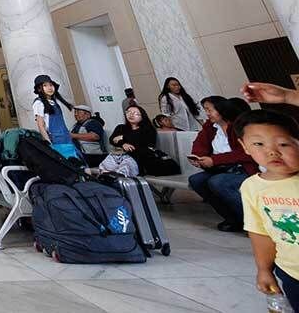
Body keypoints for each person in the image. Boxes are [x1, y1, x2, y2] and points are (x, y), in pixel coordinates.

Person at [237, 109, 299, 310]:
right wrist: (264, 269)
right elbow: (260, 233)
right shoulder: (251, 187)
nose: (272, 151)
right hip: (291, 272)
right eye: (258, 144)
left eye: (283, 144)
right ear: (244, 146)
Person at [188, 96, 257, 232]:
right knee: (196, 180)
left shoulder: (239, 126)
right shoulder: (210, 126)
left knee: (219, 182)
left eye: (209, 110)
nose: (207, 113)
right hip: (220, 168)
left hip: (244, 168)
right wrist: (198, 157)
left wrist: (214, 160)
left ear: (221, 109)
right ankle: (233, 219)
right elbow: (200, 143)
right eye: (205, 110)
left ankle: (254, 222)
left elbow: (245, 153)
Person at [109, 105, 179, 176]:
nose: (131, 115)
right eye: (128, 112)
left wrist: (123, 137)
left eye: (135, 113)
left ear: (142, 116)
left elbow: (141, 144)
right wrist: (123, 144)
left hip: (142, 158)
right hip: (123, 158)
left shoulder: (148, 129)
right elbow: (112, 140)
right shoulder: (121, 127)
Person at [32, 75, 78, 159]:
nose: (49, 88)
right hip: (55, 140)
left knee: (76, 163)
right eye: (45, 85)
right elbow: (41, 125)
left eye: (51, 85)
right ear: (39, 89)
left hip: (66, 137)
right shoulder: (39, 103)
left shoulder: (54, 102)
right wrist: (48, 143)